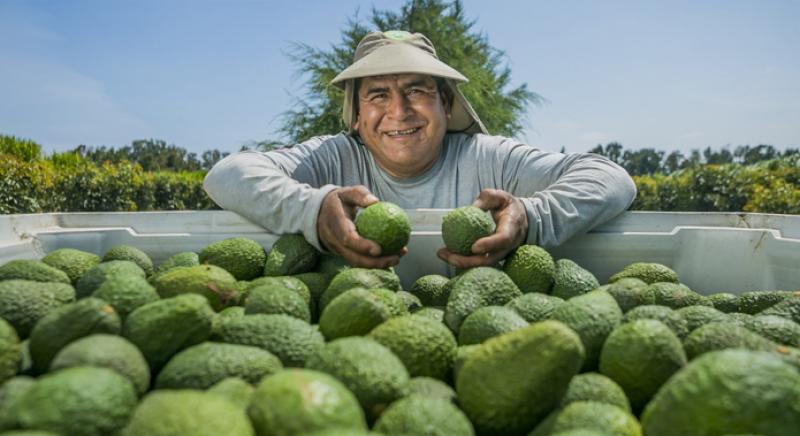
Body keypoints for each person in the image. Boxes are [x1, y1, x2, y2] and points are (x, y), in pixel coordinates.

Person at [204, 30, 636, 270]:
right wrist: (313, 209)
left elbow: (611, 179)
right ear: (356, 115)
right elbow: (227, 174)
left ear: (446, 105)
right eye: (377, 95)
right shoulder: (333, 157)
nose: (399, 111)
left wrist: (531, 218)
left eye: (417, 90)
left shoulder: (487, 157)